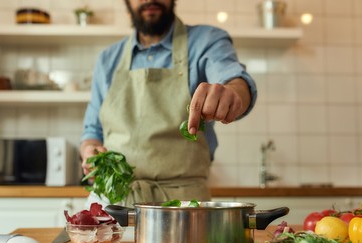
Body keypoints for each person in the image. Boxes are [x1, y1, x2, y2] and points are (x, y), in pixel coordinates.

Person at [80, 0, 257, 207]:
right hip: (113, 204)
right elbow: (92, 132)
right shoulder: (107, 59)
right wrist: (90, 151)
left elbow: (234, 79)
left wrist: (233, 93)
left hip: (186, 208)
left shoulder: (207, 41)